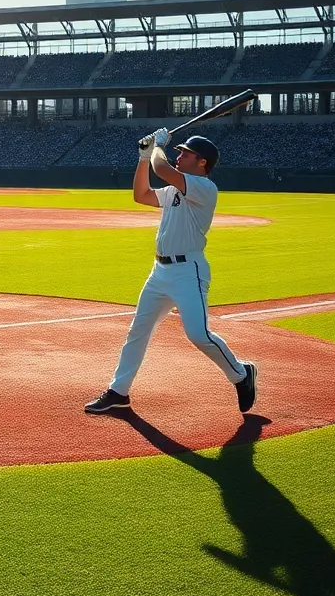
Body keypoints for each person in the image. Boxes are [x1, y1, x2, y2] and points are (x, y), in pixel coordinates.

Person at [84, 129, 257, 415]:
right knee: (138, 331)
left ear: (202, 162)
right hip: (160, 272)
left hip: (189, 271)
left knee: (199, 334)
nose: (180, 156)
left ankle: (241, 375)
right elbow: (141, 195)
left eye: (186, 153)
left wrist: (157, 147)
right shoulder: (175, 190)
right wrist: (143, 159)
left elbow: (161, 168)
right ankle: (119, 391)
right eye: (178, 151)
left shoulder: (203, 187)